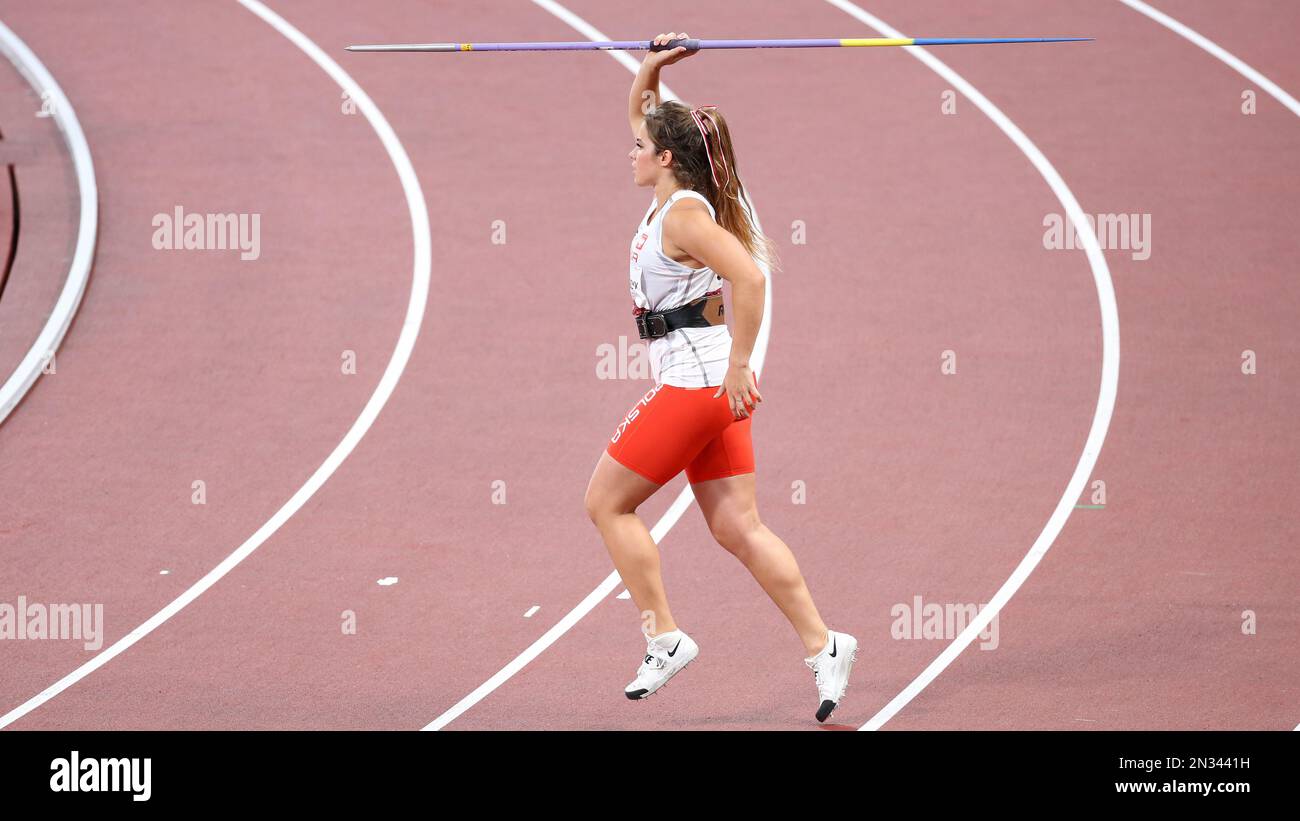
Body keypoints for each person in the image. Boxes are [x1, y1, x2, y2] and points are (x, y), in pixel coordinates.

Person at [582, 32, 858, 723]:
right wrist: (652, 67)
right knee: (738, 525)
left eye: (641, 147)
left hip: (697, 384)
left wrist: (740, 364)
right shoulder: (671, 196)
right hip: (707, 382)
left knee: (606, 503)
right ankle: (825, 645)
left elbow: (750, 276)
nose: (630, 150)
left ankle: (664, 637)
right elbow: (641, 111)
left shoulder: (683, 215)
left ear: (667, 159)